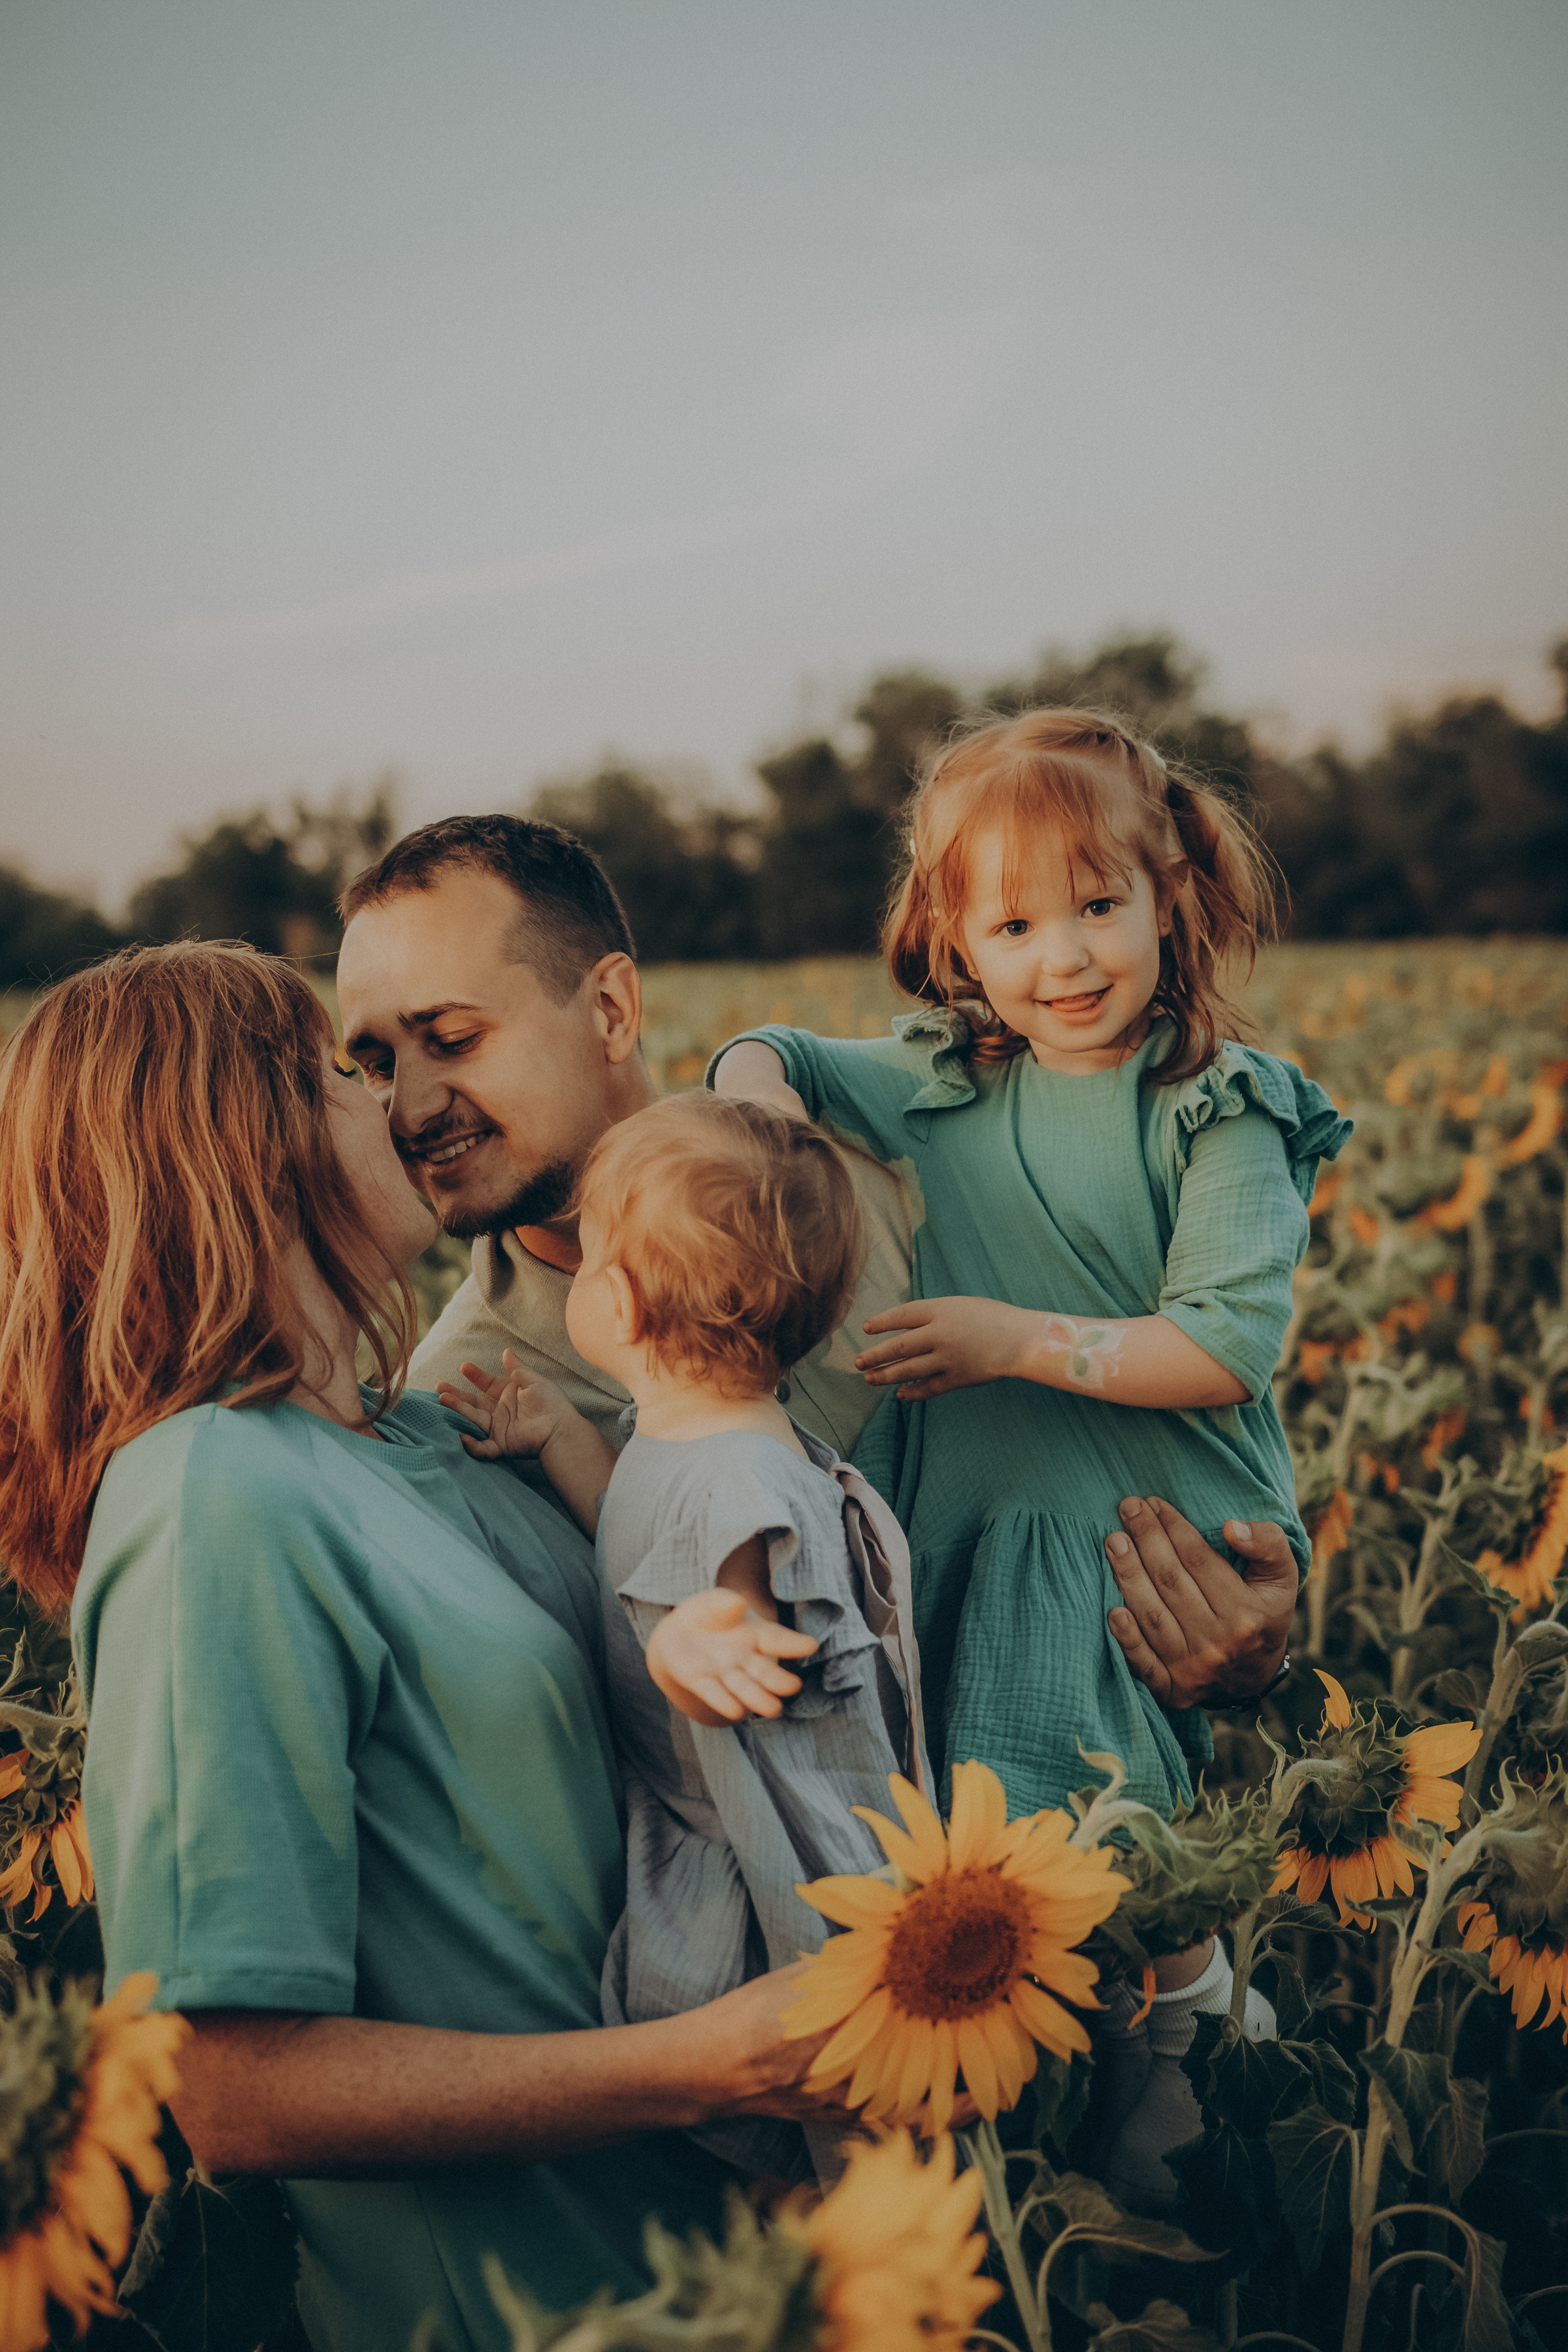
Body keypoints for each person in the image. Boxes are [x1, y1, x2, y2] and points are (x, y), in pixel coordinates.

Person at [0, 944, 838, 2352]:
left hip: (730, 2279)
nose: (395, 1101)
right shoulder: (215, 1494)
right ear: (238, 1144)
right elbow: (232, 2090)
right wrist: (715, 2063)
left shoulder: (438, 1432)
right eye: (347, 1071)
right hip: (529, 2307)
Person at [711, 708, 1352, 2200]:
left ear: (1170, 898)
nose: (1064, 957)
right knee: (973, 1840)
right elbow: (775, 1049)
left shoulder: (1216, 1105)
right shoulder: (944, 1077)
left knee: (1102, 1820)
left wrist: (1008, 1338)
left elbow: (1222, 1345)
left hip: (1137, 1512)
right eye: (1013, 921)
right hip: (977, 1513)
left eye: (1098, 906)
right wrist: (757, 1116)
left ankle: (1191, 2028)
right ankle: (1056, 2100)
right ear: (954, 937)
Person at [335, 814, 1303, 1718]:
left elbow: (1148, 1411)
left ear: (612, 1009)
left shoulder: (889, 1149)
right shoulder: (462, 1415)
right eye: (376, 1065)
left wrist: (1254, 1653)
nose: (412, 1110)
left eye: (453, 1039)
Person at [438, 1091, 932, 2188]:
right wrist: (561, 1436)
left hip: (758, 1852)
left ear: (613, 1299)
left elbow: (739, 1623)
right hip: (713, 1807)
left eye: (596, 1244)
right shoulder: (696, 1430)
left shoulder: (739, 1476)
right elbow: (637, 1528)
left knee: (822, 2133)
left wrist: (696, 1646)